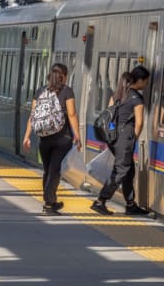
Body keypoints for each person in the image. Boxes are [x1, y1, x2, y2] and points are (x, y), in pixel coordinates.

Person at [91, 65, 150, 216]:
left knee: (129, 170)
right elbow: (139, 122)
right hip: (125, 137)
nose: (146, 85)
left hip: (113, 136)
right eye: (146, 81)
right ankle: (100, 201)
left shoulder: (119, 93)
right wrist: (133, 139)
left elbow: (109, 113)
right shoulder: (136, 98)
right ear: (140, 80)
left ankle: (130, 204)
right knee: (121, 170)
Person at [22, 63, 81, 215]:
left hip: (44, 139)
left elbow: (33, 115)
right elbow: (72, 114)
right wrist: (78, 136)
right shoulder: (67, 91)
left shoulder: (41, 91)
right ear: (65, 76)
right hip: (62, 139)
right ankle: (49, 204)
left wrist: (27, 136)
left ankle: (51, 201)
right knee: (55, 171)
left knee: (48, 171)